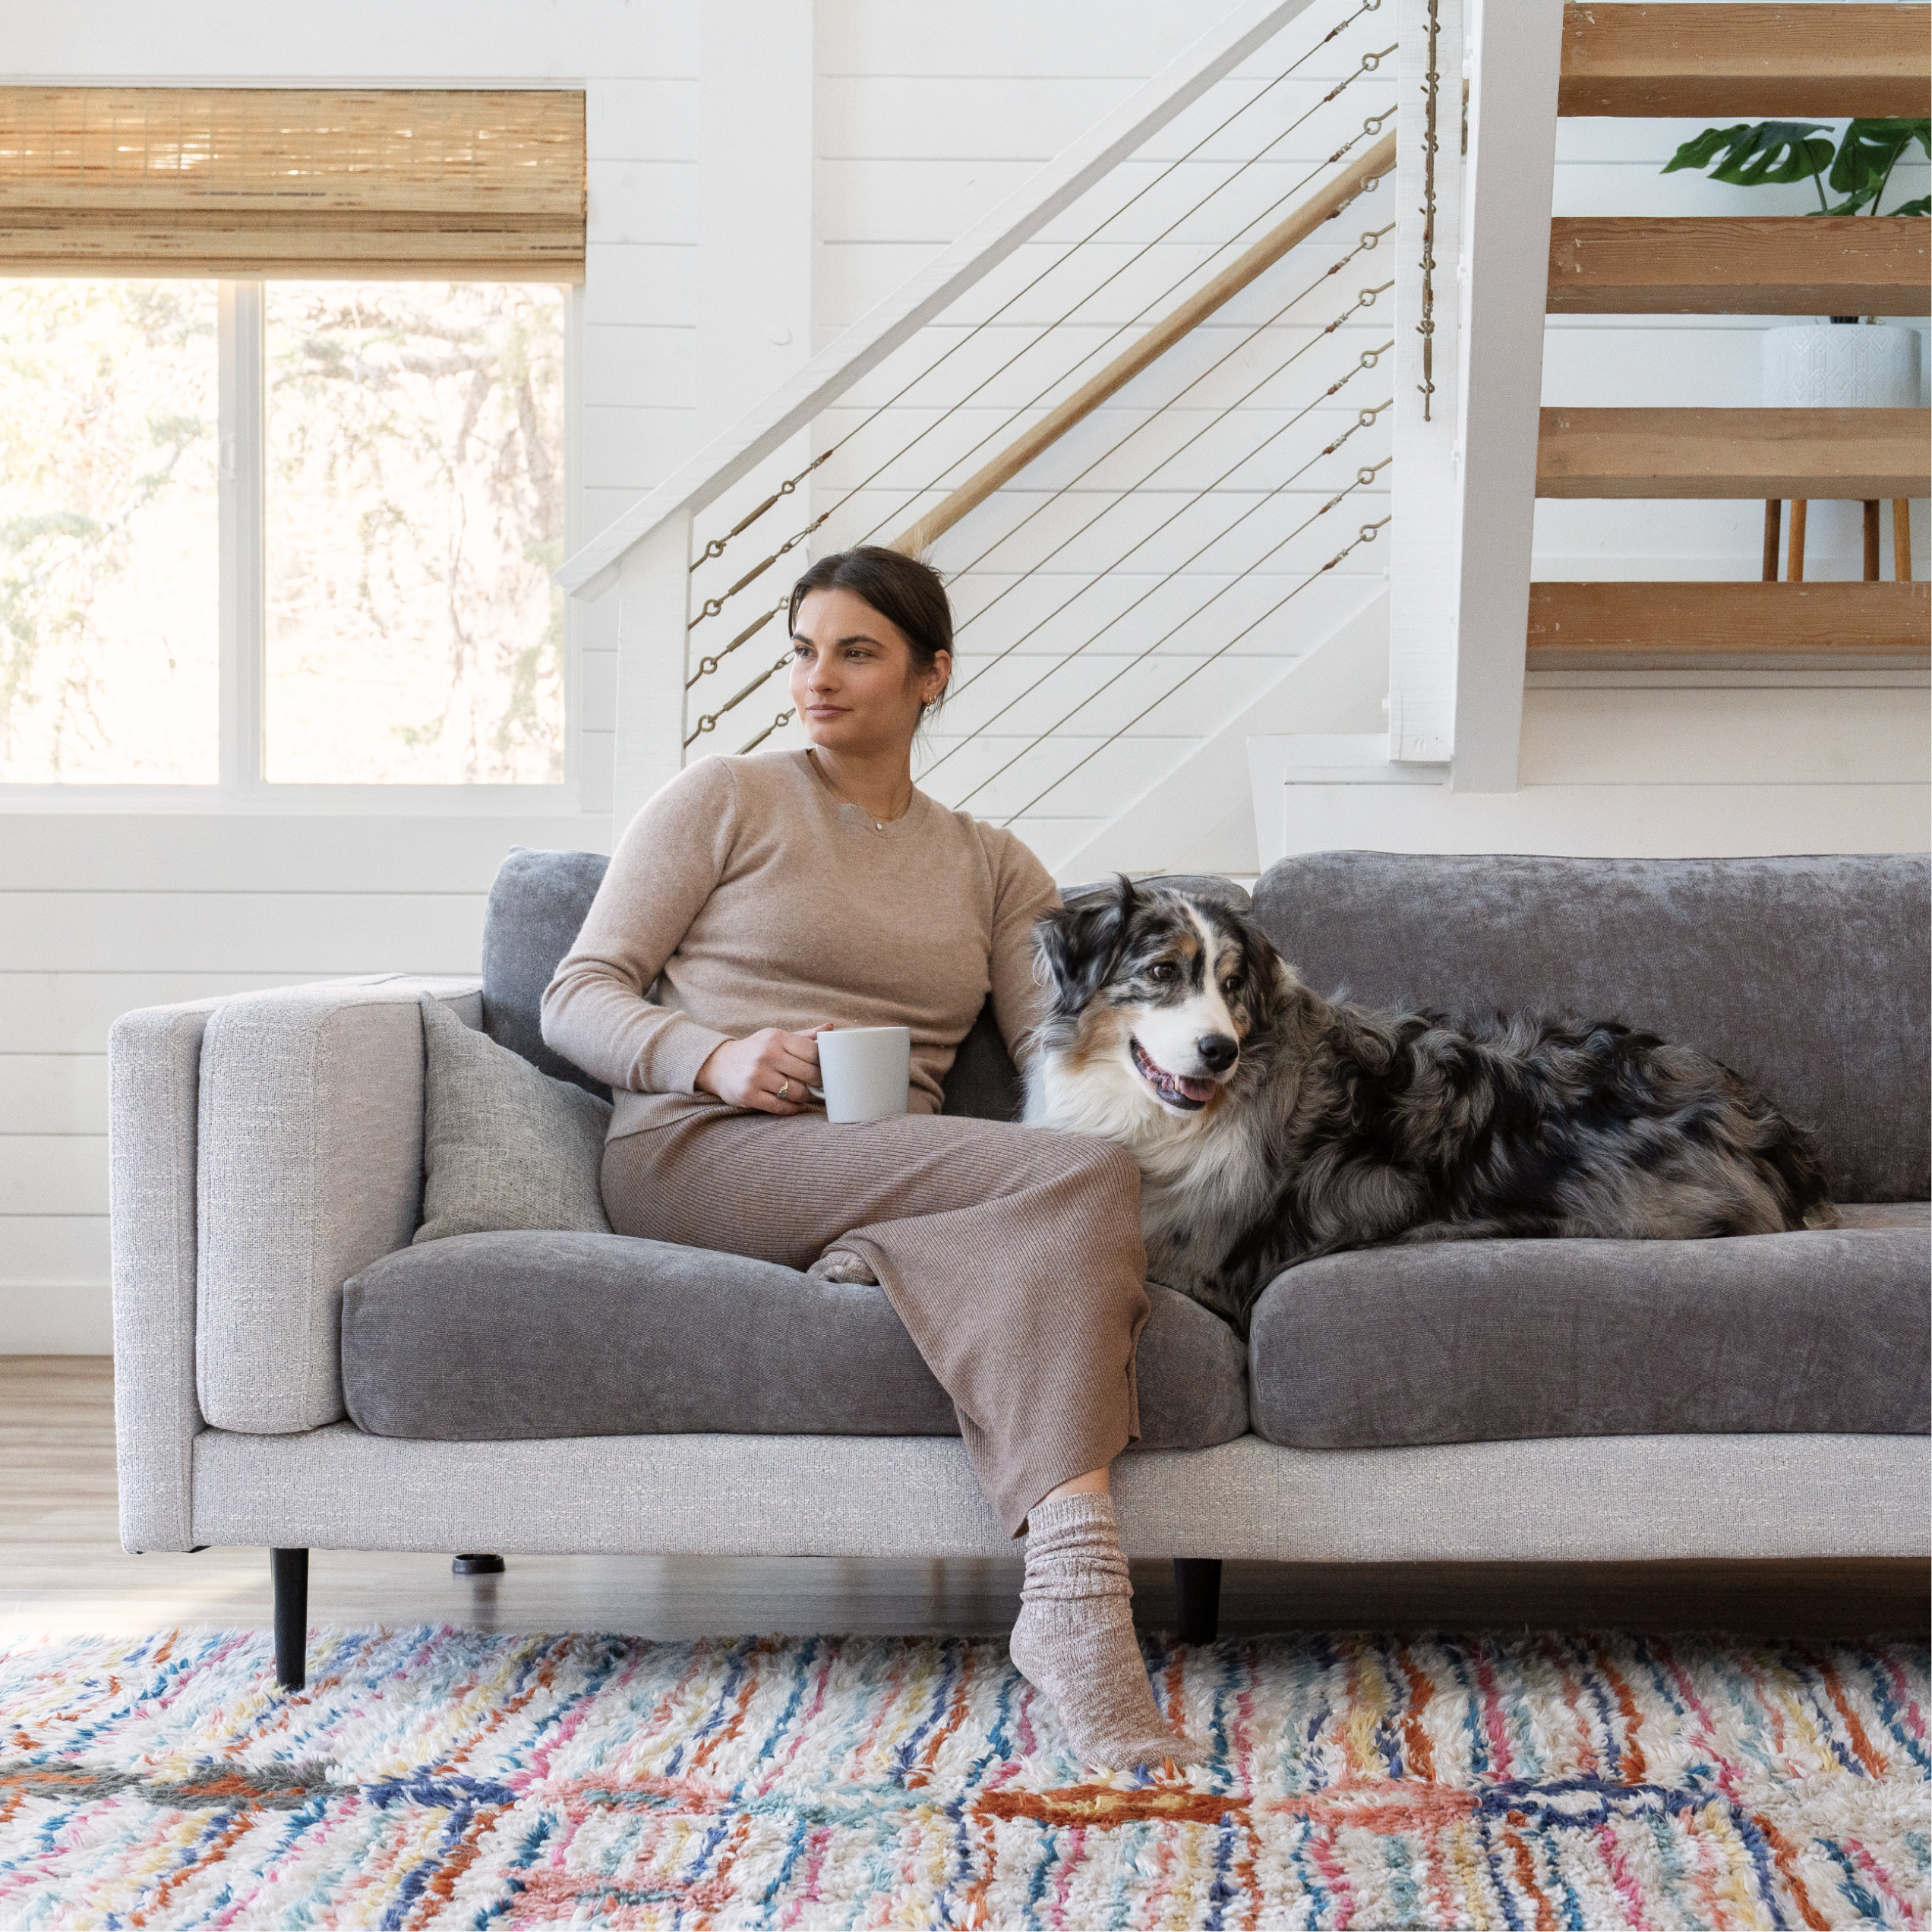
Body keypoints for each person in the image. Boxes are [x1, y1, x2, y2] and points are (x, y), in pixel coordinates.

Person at [541, 545, 1202, 1772]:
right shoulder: (725, 800)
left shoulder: (992, 864)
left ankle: (884, 1255)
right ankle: (1077, 1608)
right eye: (803, 650)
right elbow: (575, 995)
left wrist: (1188, 1060)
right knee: (1079, 1185)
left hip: (884, 1160)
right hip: (706, 1148)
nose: (818, 678)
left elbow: (1055, 1049)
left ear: (931, 677)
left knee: (1075, 1174)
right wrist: (712, 1059)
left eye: (856, 652)